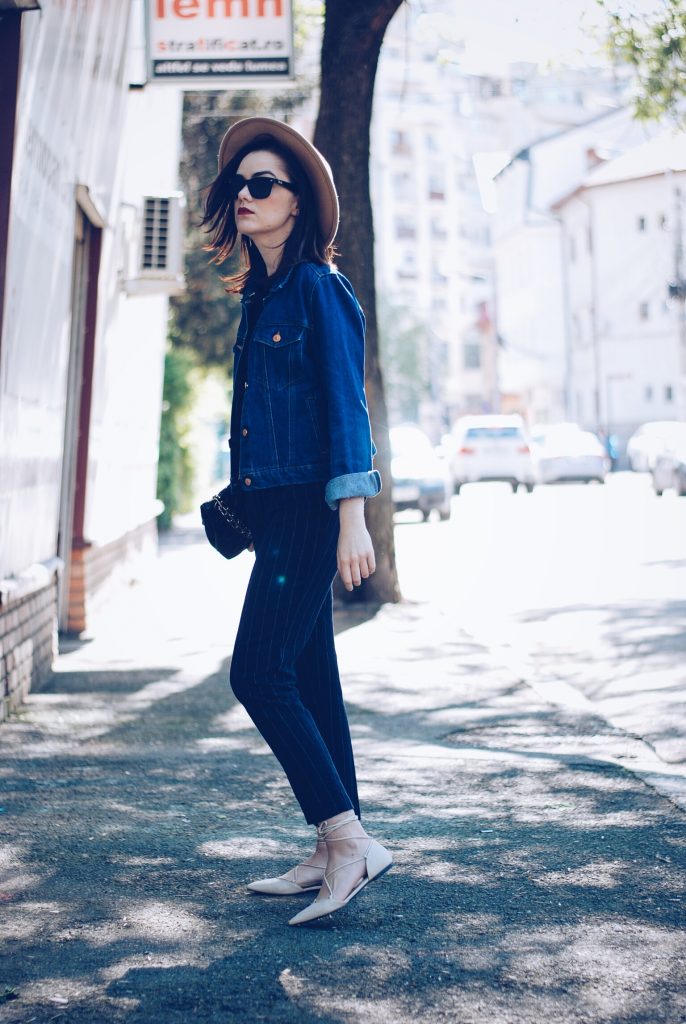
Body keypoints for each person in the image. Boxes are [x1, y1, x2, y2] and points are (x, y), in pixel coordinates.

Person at [201, 117, 392, 926]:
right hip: (274, 512)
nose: (244, 196)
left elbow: (349, 409)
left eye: (262, 184)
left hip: (314, 513)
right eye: (238, 184)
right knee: (312, 680)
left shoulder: (319, 287)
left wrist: (355, 518)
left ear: (296, 202)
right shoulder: (261, 293)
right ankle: (331, 847)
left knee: (258, 674)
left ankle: (348, 840)